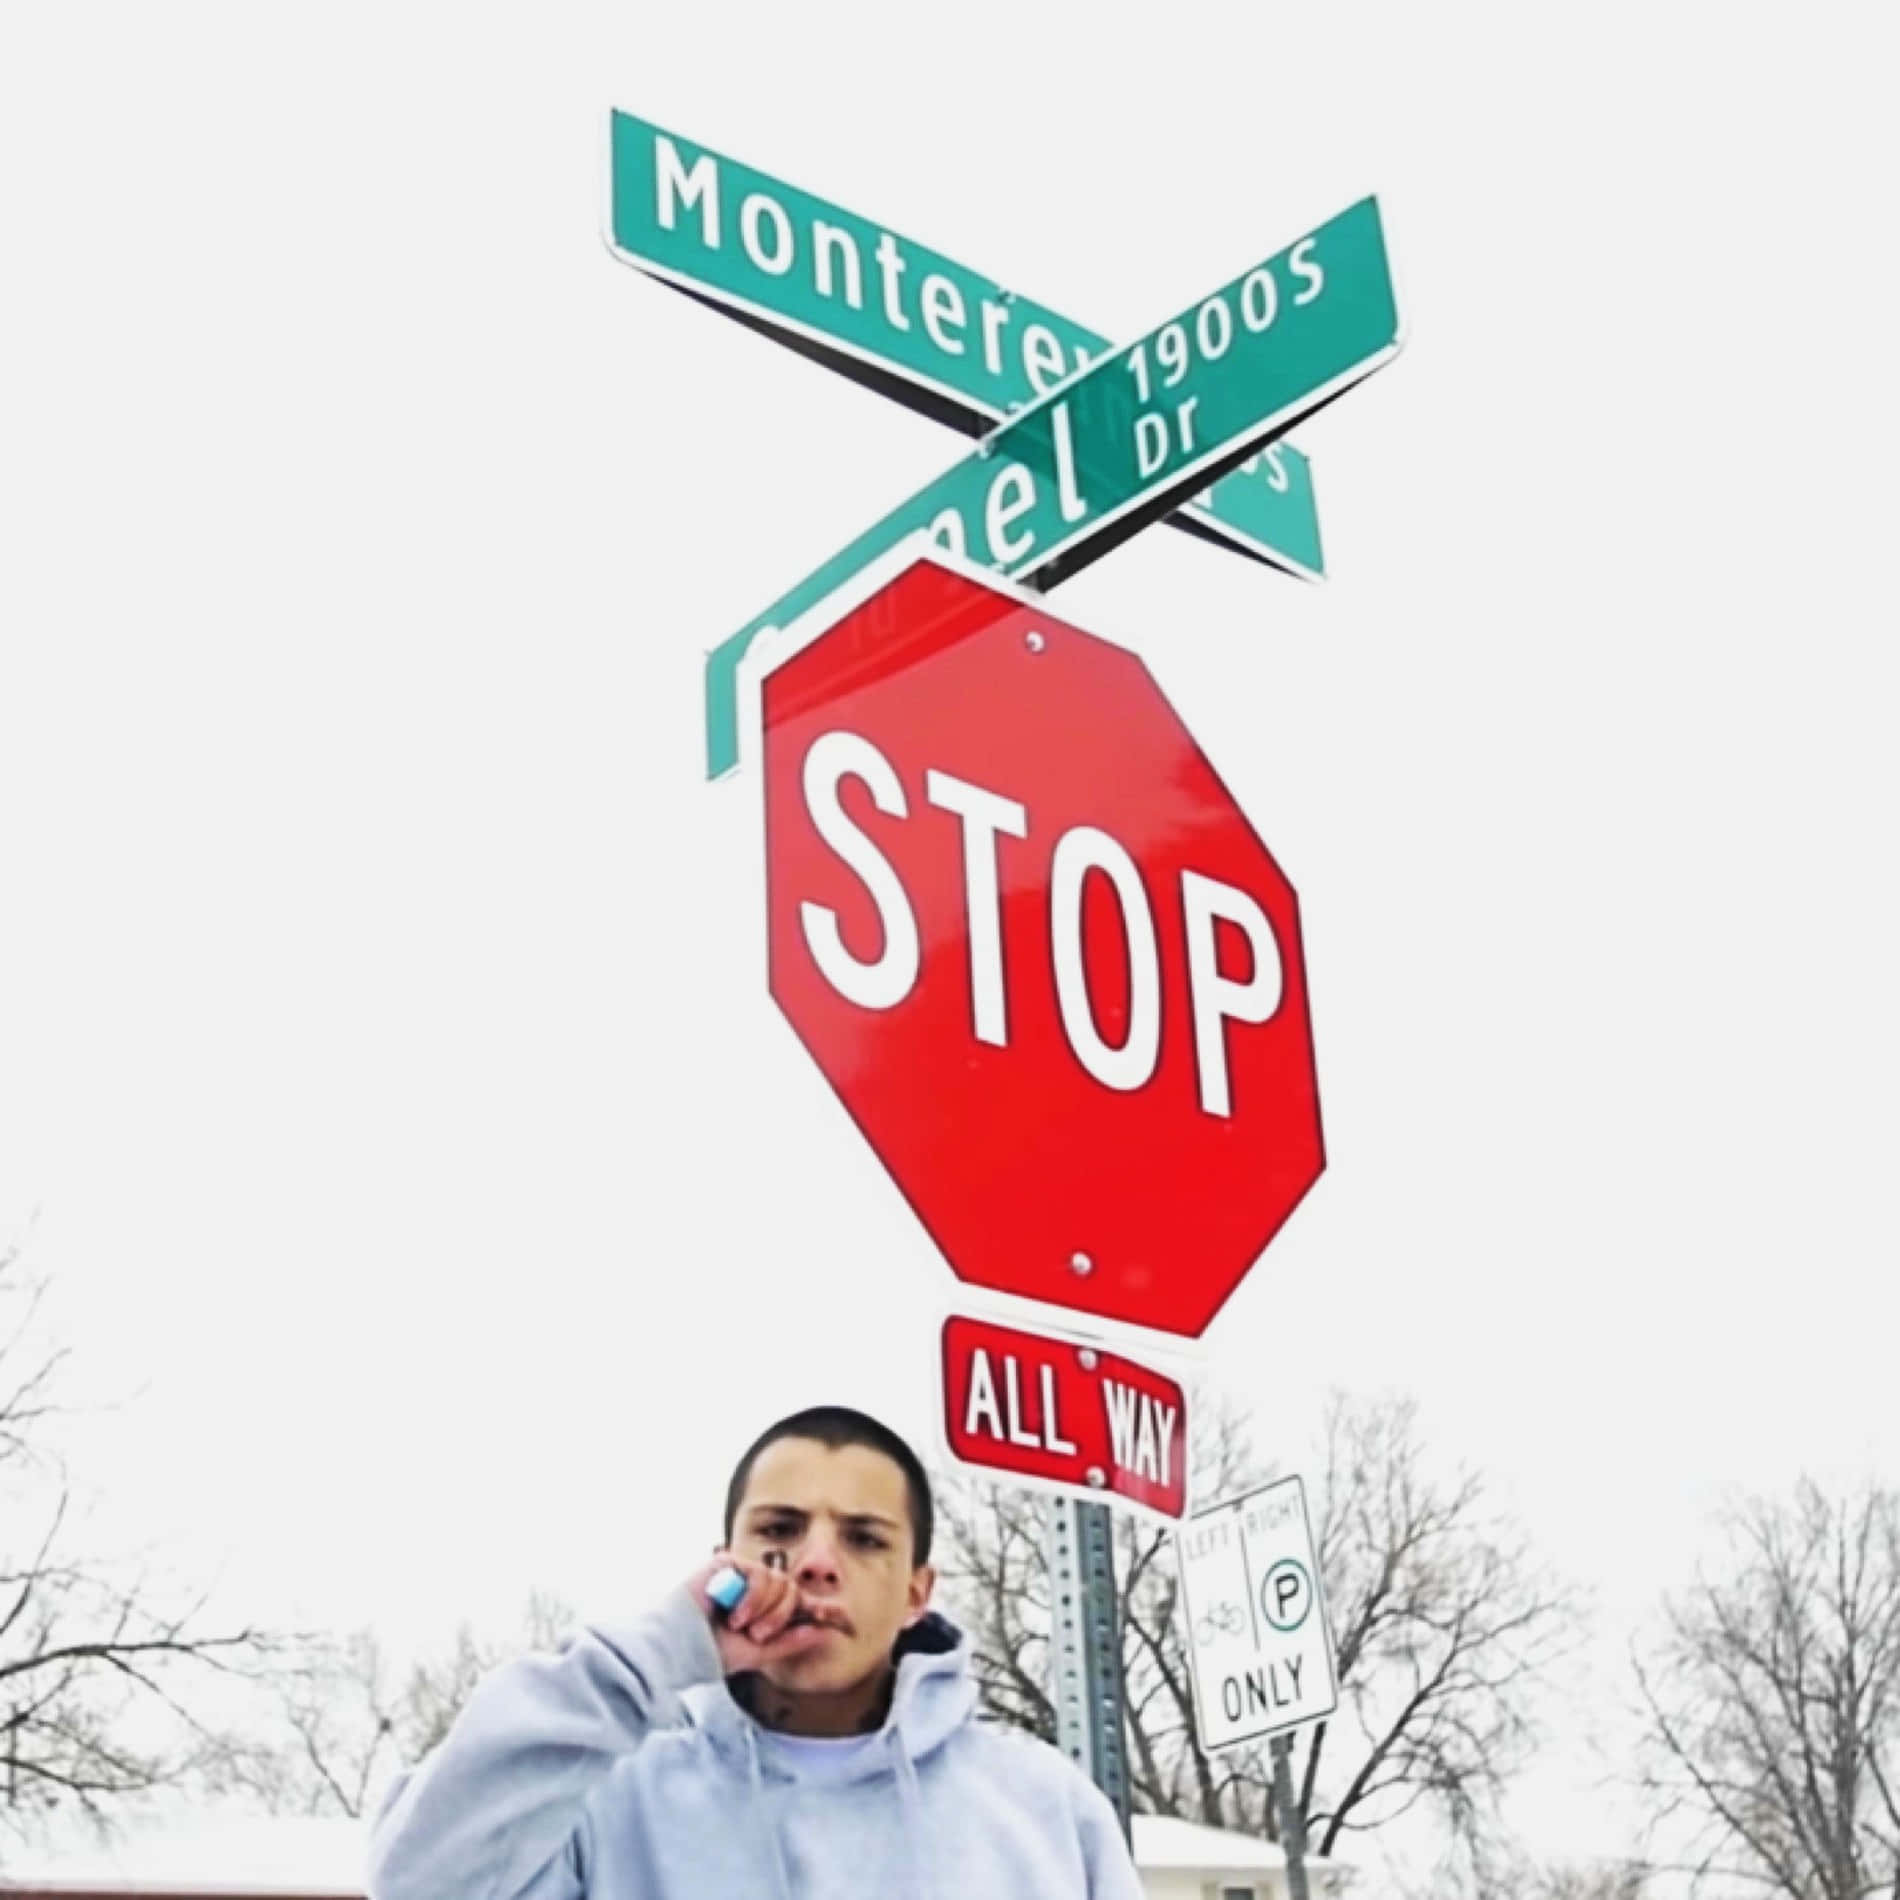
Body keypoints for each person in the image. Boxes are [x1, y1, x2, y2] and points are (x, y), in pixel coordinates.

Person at [367, 1404, 1142, 1900]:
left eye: (864, 1538)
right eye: (779, 1529)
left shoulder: (1042, 1807)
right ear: (723, 1561)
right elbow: (414, 1881)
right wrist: (660, 1651)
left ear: (916, 1592)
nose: (816, 1562)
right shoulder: (612, 1794)